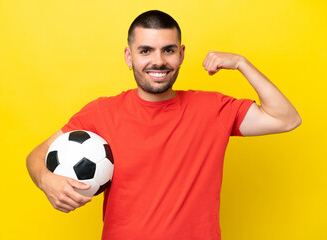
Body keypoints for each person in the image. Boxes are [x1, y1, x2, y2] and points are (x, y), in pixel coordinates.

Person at [26, 10, 301, 240]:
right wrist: (45, 179)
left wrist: (243, 64)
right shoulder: (102, 112)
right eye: (145, 50)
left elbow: (286, 119)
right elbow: (37, 155)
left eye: (168, 50)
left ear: (181, 54)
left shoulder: (213, 108)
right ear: (128, 56)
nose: (158, 61)